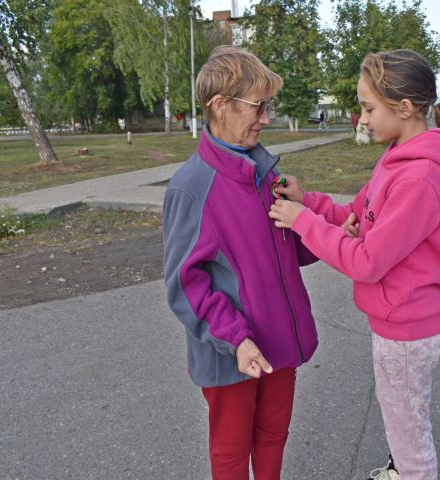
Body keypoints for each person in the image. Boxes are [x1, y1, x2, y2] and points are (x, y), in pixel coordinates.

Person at [269, 49, 440, 480]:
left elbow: (368, 262)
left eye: (369, 108)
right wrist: (307, 203)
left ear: (405, 108)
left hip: (407, 328)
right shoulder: (397, 158)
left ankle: (411, 472)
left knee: (406, 425)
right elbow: (356, 213)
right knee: (406, 415)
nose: (362, 119)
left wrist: (302, 224)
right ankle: (405, 466)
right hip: (400, 321)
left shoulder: (419, 176)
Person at [162, 46, 319, 480]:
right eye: (258, 106)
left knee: (273, 435)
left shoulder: (265, 173)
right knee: (232, 452)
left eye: (269, 105)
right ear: (220, 105)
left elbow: (286, 249)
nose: (266, 118)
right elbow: (185, 286)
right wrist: (235, 339)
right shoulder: (191, 188)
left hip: (279, 343)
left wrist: (326, 231)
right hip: (231, 353)